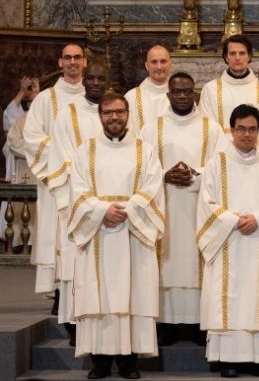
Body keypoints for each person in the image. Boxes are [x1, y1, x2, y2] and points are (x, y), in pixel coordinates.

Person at [68, 93, 165, 379]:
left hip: (132, 232)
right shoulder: (86, 151)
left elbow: (153, 187)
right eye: (108, 113)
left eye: (119, 112)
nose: (114, 117)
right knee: (100, 298)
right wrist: (101, 211)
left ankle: (128, 362)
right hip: (99, 232)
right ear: (100, 116)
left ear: (128, 114)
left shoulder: (145, 150)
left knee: (133, 296)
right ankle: (99, 362)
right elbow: (77, 188)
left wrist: (126, 210)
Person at [196, 104, 259, 378]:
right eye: (241, 129)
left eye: (252, 129)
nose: (247, 134)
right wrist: (234, 220)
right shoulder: (216, 164)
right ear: (232, 130)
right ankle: (228, 359)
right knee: (229, 300)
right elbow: (207, 203)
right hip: (227, 242)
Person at [140, 72, 225, 346]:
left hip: (199, 208)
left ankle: (200, 325)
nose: (182, 96)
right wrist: (164, 175)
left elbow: (221, 165)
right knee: (168, 263)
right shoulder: (151, 129)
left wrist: (195, 173)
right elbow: (142, 166)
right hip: (164, 205)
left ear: (195, 94)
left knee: (196, 263)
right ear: (168, 95)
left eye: (187, 91)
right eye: (177, 92)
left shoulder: (211, 128)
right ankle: (166, 325)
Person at [47, 63, 111, 344]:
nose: (96, 82)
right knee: (78, 264)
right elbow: (60, 156)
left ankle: (106, 324)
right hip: (78, 202)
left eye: (101, 78)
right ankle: (76, 324)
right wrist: (86, 193)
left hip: (110, 204)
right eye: (92, 77)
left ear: (108, 82)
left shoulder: (116, 112)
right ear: (85, 80)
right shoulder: (67, 114)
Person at [24, 43, 85, 296]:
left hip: (86, 181)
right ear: (60, 62)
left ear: (84, 62)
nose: (73, 62)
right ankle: (58, 291)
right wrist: (66, 161)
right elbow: (32, 137)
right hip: (56, 181)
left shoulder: (94, 97)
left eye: (77, 58)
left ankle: (81, 287)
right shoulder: (45, 99)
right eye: (68, 58)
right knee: (55, 232)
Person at [1, 76, 39, 249]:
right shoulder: (19, 121)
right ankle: (16, 242)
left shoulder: (46, 121)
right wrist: (35, 151)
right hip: (21, 172)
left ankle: (35, 243)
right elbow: (12, 140)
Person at [199, 35, 259, 134]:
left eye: (242, 53)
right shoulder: (210, 89)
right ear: (226, 57)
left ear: (249, 56)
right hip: (220, 147)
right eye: (232, 53)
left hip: (256, 147)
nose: (237, 58)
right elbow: (205, 126)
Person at [125, 45, 172, 133]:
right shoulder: (131, 97)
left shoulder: (181, 98)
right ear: (147, 66)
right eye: (154, 62)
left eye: (163, 61)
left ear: (170, 64)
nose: (159, 67)